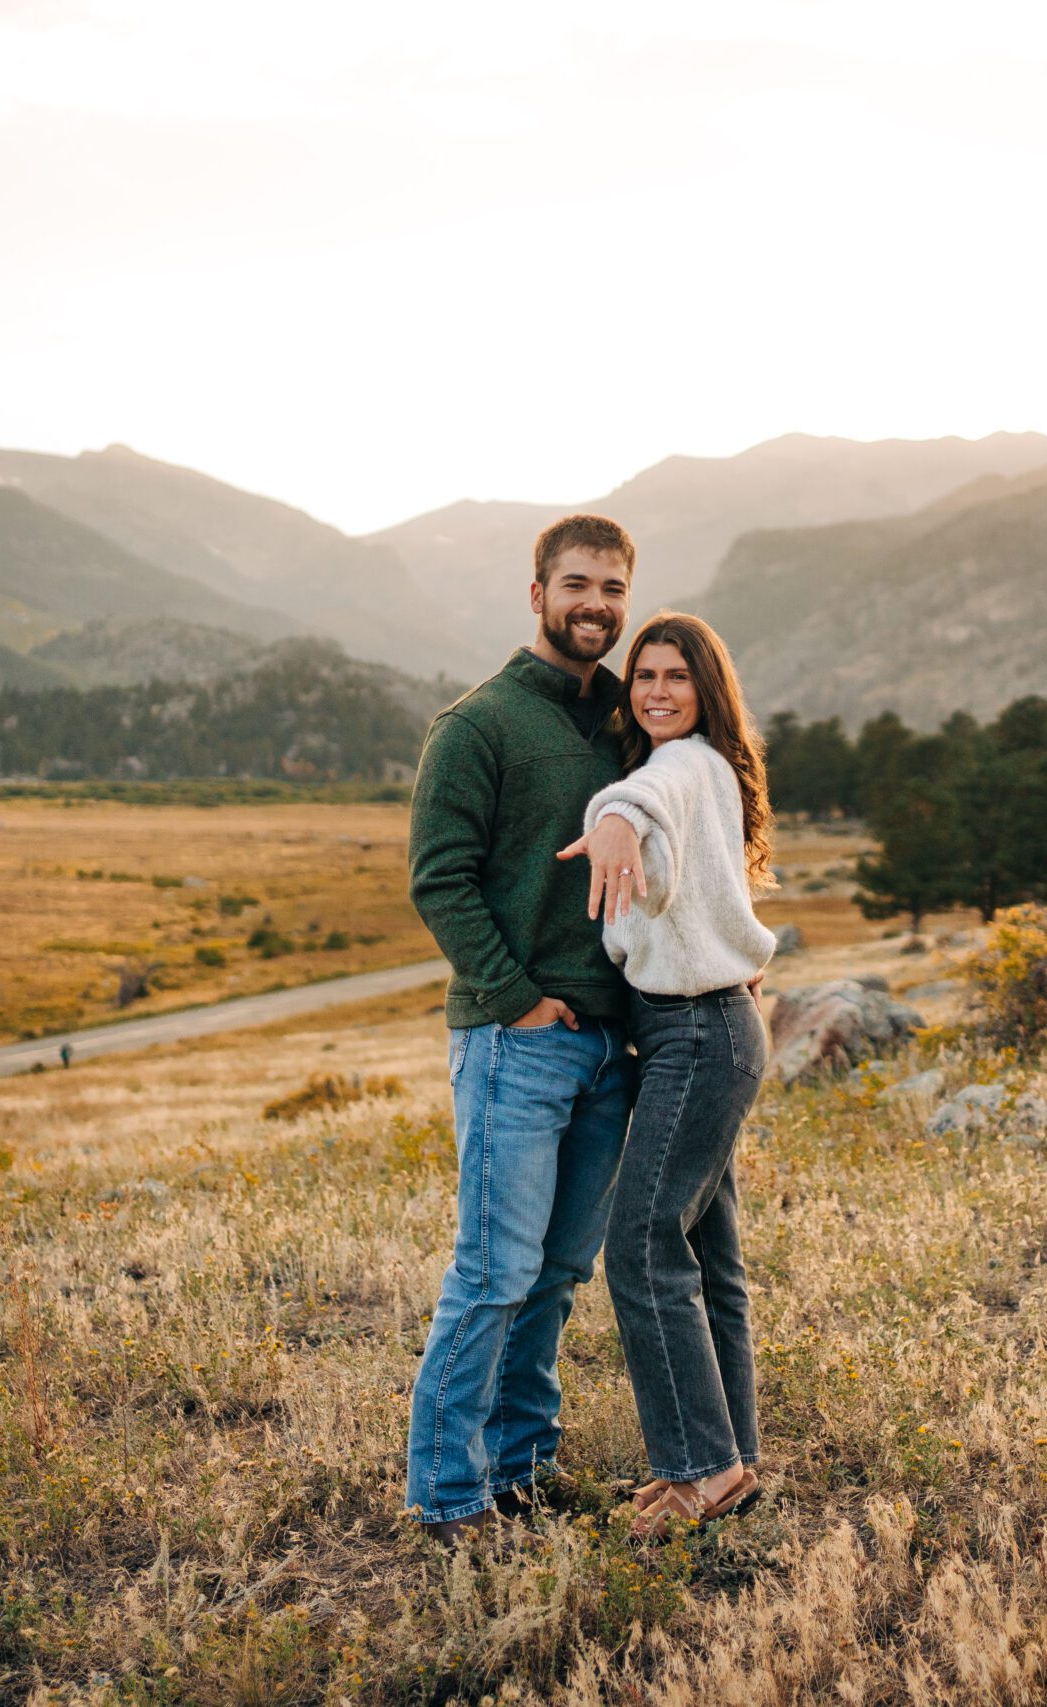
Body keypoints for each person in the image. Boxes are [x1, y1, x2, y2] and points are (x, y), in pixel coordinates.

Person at [402, 513, 639, 1543]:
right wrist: (519, 1002)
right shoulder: (479, 724)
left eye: (613, 589)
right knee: (493, 1271)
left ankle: (521, 1468)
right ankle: (448, 1496)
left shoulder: (635, 720)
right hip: (518, 1039)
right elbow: (438, 880)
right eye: (577, 583)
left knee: (553, 1276)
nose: (596, 604)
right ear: (536, 593)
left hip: (610, 1046)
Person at [560, 611, 778, 1538]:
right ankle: (729, 1456)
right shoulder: (709, 768)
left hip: (696, 1035)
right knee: (707, 1255)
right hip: (714, 1027)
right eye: (643, 675)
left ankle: (700, 1466)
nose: (654, 690)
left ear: (706, 689)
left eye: (675, 677)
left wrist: (610, 823)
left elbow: (641, 803)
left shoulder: (678, 766)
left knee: (644, 1246)